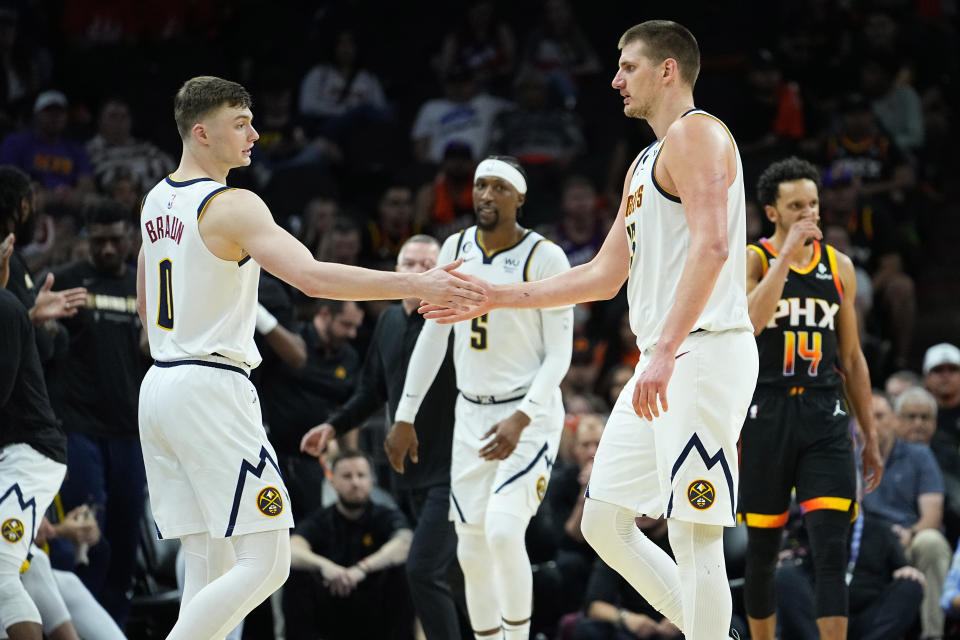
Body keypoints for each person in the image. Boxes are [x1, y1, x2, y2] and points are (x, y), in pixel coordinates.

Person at [423, 20, 760, 639]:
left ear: (667, 70)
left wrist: (662, 351)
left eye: (628, 66)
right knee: (604, 523)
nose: (615, 79)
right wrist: (495, 295)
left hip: (703, 350)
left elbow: (712, 248)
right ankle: (717, 633)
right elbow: (604, 276)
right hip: (664, 354)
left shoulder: (699, 133)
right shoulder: (642, 163)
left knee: (693, 529)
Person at [135, 75, 485, 640]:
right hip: (211, 387)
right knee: (268, 560)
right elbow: (314, 278)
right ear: (201, 133)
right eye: (239, 123)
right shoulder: (231, 203)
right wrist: (420, 283)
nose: (255, 133)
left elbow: (147, 309)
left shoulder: (155, 200)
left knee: (209, 559)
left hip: (162, 383)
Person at [391, 154, 573, 639]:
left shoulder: (545, 257)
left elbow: (560, 356)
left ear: (520, 198)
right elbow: (433, 335)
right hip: (469, 413)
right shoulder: (455, 245)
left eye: (497, 187)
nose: (485, 196)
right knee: (470, 547)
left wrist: (522, 418)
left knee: (502, 531)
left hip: (526, 414)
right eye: (479, 186)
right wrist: (405, 414)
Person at [739, 156, 883, 640]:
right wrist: (785, 256)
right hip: (767, 410)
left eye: (814, 205)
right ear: (772, 212)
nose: (809, 215)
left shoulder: (837, 266)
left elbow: (854, 358)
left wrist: (872, 435)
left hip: (824, 412)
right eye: (796, 206)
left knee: (830, 547)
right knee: (761, 550)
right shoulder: (753, 258)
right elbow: (750, 324)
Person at [300, 234, 461, 640]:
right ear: (396, 271)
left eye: (430, 263)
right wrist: (334, 426)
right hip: (408, 472)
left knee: (424, 570)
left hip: (457, 467)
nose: (420, 271)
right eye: (411, 263)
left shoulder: (456, 317)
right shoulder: (389, 321)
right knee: (446, 576)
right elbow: (372, 389)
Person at [44, 199, 146, 625]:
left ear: (129, 239)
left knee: (125, 536)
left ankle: (116, 627)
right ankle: (77, 627)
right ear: (87, 240)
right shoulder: (67, 283)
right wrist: (45, 327)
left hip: (131, 429)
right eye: (99, 240)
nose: (107, 249)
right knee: (90, 537)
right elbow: (43, 352)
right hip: (78, 428)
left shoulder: (146, 288)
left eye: (115, 240)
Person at [282, 450, 414, 640]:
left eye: (361, 475)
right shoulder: (320, 520)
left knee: (405, 570)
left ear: (370, 480)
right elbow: (292, 549)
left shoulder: (385, 516)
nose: (355, 482)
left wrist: (363, 568)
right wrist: (326, 567)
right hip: (331, 611)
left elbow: (405, 543)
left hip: (377, 612)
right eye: (347, 476)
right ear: (333, 481)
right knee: (297, 573)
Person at [0, 285, 67, 640]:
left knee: (3, 572)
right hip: (13, 456)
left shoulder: (6, 306)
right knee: (25, 568)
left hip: (28, 454)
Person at [259, 298, 364, 521]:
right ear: (325, 314)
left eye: (356, 327)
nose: (352, 334)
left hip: (312, 463)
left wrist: (348, 457)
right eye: (346, 325)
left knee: (308, 524)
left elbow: (350, 410)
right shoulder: (291, 342)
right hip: (273, 455)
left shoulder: (350, 357)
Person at [862, 391, 952, 640]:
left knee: (931, 542)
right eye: (865, 416)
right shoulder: (848, 457)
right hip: (870, 543)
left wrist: (910, 533)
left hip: (909, 538)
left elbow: (932, 516)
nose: (872, 423)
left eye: (879, 416)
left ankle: (932, 634)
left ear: (893, 420)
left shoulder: (920, 456)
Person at [775, 511, 925, 640]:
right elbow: (792, 564)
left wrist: (906, 570)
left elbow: (901, 569)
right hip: (817, 617)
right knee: (785, 574)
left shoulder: (881, 530)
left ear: (858, 494)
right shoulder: (809, 527)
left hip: (866, 619)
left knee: (911, 584)